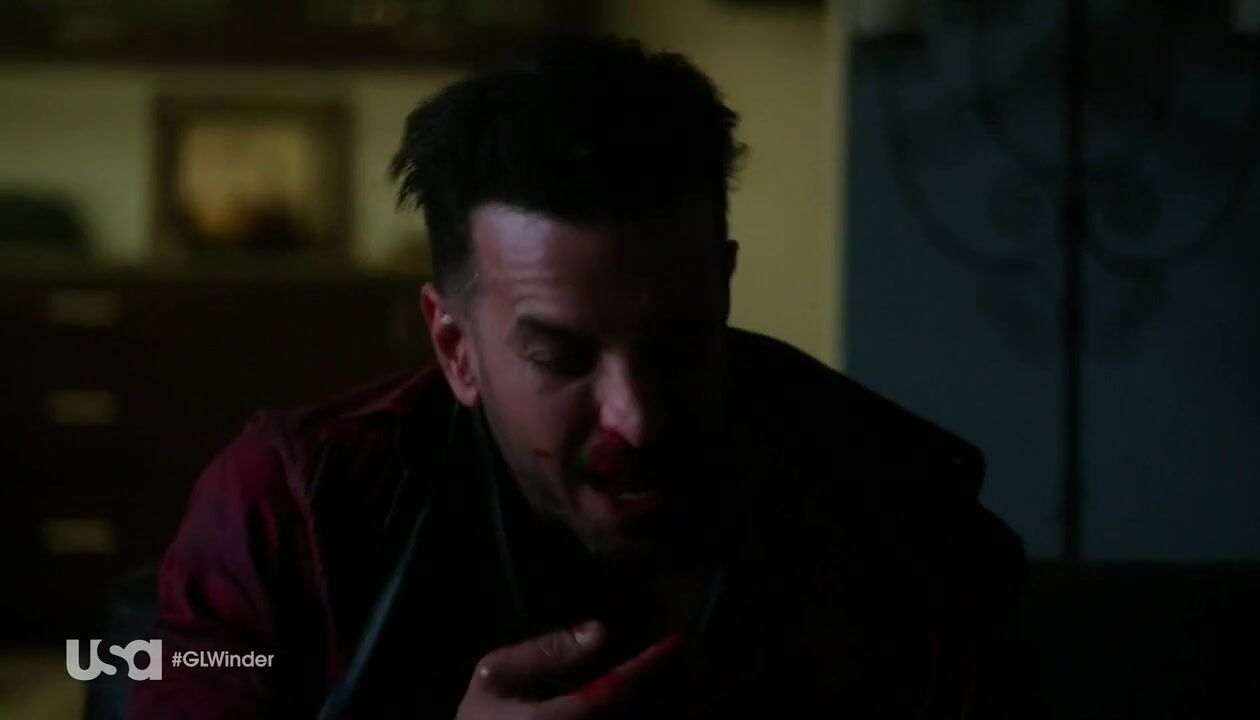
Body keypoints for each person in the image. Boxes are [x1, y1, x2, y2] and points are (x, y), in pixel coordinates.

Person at [129, 34, 1032, 719]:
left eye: (679, 341)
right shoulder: (290, 514)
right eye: (561, 356)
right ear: (454, 347)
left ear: (722, 288)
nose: (636, 418)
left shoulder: (904, 520)